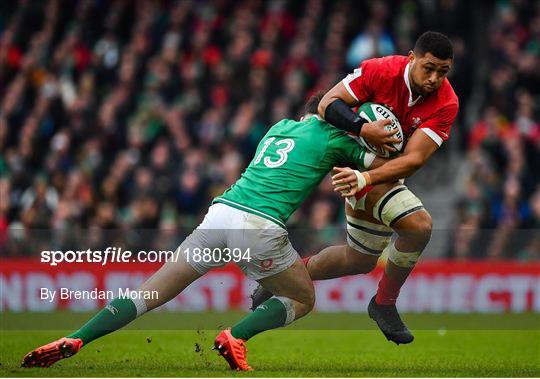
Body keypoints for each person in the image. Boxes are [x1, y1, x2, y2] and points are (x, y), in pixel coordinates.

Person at [21, 93, 388, 371]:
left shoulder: (280, 128)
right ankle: (237, 335)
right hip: (258, 226)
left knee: (147, 294)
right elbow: (385, 166)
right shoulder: (334, 137)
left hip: (219, 214)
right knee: (303, 298)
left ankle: (78, 337)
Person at [250, 31, 459, 345]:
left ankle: (284, 274)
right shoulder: (380, 70)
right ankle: (384, 303)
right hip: (349, 156)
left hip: (379, 175)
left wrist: (365, 178)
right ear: (411, 58)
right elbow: (327, 104)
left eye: (442, 72)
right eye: (428, 68)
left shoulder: (447, 102)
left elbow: (414, 159)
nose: (434, 78)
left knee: (359, 260)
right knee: (419, 227)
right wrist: (364, 129)